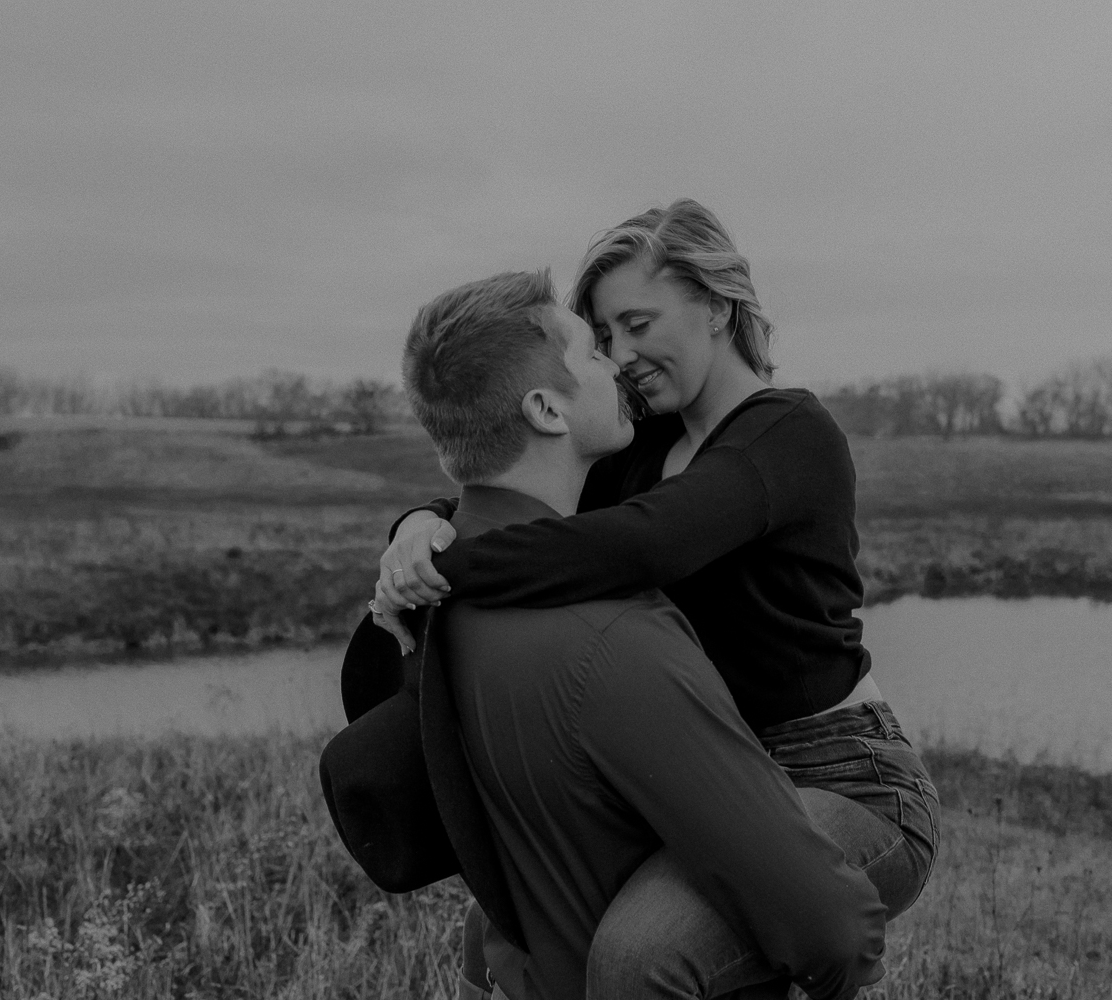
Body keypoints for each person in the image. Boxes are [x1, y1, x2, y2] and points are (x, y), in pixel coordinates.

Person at [372, 200, 939, 996]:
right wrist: (419, 527)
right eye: (603, 338)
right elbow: (524, 487)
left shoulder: (787, 434)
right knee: (501, 927)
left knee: (639, 957)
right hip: (714, 772)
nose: (622, 354)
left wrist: (451, 567)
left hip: (846, 779)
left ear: (716, 305)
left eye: (638, 323)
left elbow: (647, 543)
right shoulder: (639, 449)